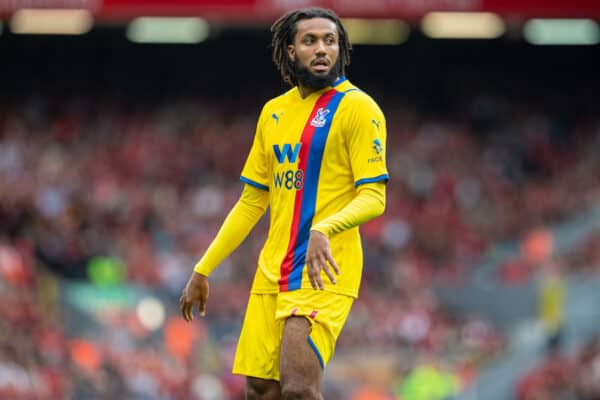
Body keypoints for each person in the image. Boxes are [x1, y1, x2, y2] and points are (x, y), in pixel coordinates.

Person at [179, 7, 389, 399]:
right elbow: (250, 203)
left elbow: (374, 196)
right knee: (260, 389)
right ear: (290, 51)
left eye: (330, 40)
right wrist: (203, 268)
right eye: (310, 41)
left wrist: (326, 228)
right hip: (273, 269)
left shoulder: (359, 109)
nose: (322, 49)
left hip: (325, 270)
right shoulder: (273, 113)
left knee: (298, 389)